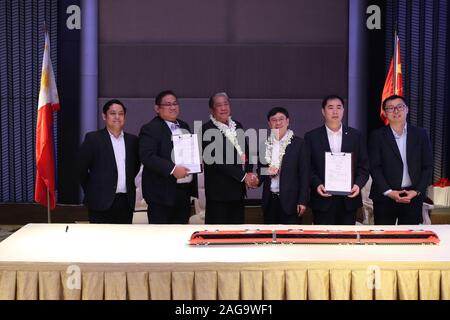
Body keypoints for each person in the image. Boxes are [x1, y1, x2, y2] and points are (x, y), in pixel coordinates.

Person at [304, 94, 369, 225]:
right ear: (323, 111)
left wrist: (358, 185)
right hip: (322, 199)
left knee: (347, 241)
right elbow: (307, 167)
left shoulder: (355, 135)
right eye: (330, 107)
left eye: (339, 107)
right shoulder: (312, 137)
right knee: (323, 241)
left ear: (343, 111)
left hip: (349, 198)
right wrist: (317, 184)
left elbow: (364, 166)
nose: (335, 111)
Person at [368, 95, 433, 224]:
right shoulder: (377, 136)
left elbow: (427, 166)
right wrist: (389, 192)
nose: (396, 111)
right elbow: (375, 167)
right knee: (384, 240)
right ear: (385, 113)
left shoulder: (420, 134)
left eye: (400, 107)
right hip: (385, 197)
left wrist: (417, 191)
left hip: (412, 197)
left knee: (410, 240)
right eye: (390, 108)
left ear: (407, 109)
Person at [139, 90, 198, 224]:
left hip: (183, 192)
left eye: (175, 103)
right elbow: (147, 156)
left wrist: (196, 162)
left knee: (181, 235)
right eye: (168, 104)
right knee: (160, 237)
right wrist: (172, 169)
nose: (173, 107)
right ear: (157, 108)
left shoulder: (184, 125)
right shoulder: (150, 128)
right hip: (161, 194)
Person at [78, 99, 140, 223]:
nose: (117, 117)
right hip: (100, 201)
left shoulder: (133, 141)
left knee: (123, 240)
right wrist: (93, 189)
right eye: (113, 113)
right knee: (101, 240)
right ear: (104, 116)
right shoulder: (93, 139)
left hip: (125, 202)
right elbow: (81, 169)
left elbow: (135, 167)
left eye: (121, 114)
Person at [202, 92, 258, 224]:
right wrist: (244, 176)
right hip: (218, 193)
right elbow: (215, 161)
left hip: (238, 190)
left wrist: (249, 171)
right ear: (212, 109)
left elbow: (246, 152)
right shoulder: (206, 129)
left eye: (226, 104)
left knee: (236, 232)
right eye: (219, 105)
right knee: (218, 235)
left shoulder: (237, 125)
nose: (223, 108)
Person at [258, 107, 310, 224]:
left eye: (281, 119)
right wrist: (267, 172)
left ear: (287, 121)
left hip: (291, 203)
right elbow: (260, 171)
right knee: (270, 239)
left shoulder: (299, 144)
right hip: (270, 201)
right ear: (269, 124)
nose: (278, 123)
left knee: (290, 239)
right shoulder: (265, 145)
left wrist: (302, 201)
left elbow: (305, 174)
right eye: (274, 120)